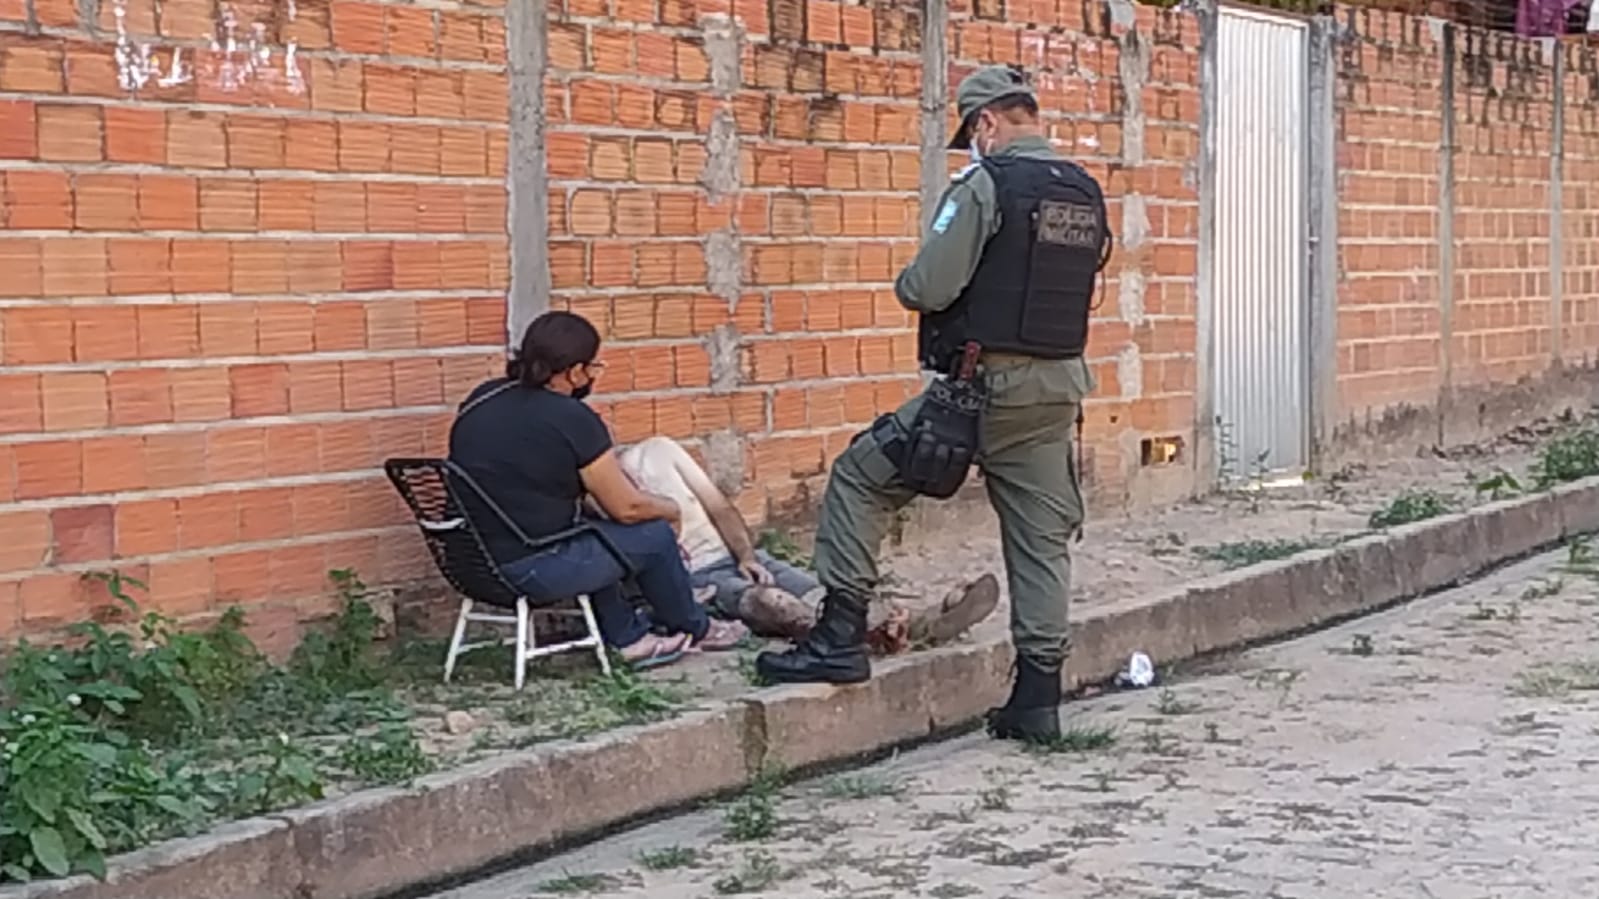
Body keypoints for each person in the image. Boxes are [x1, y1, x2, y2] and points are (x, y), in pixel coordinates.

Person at [754, 65, 1112, 746]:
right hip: (1058, 388)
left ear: (985, 124)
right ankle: (1037, 698)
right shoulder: (1082, 190)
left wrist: (906, 276)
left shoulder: (985, 183)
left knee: (861, 474)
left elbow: (927, 285)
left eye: (971, 133)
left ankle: (836, 636)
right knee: (1039, 543)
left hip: (979, 389)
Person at [448, 311, 748, 669]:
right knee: (651, 535)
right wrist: (671, 510)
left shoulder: (482, 398)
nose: (591, 376)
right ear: (575, 371)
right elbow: (626, 507)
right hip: (531, 569)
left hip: (469, 564)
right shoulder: (572, 418)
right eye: (591, 367)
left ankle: (630, 637)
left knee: (591, 533)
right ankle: (696, 626)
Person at [615, 436, 1001, 651]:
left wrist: (746, 554)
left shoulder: (658, 451)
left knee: (826, 595)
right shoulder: (596, 493)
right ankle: (883, 635)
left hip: (735, 558)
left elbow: (721, 508)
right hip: (697, 581)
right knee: (772, 603)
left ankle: (918, 622)